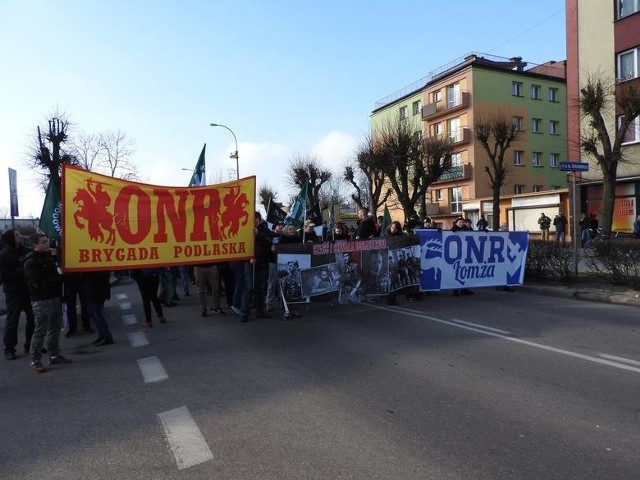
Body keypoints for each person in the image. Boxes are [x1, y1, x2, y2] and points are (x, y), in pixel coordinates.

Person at [23, 233, 70, 373]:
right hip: (41, 299)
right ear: (35, 244)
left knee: (55, 328)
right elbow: (38, 282)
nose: (46, 244)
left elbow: (54, 275)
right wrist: (58, 278)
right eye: (43, 242)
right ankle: (35, 360)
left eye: (46, 241)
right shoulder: (30, 262)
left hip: (54, 297)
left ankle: (54, 355)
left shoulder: (48, 258)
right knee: (40, 330)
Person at [0, 229, 35, 360]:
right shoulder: (4, 255)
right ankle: (9, 348)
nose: (20, 236)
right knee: (12, 320)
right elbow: (4, 276)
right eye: (16, 235)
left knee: (33, 317)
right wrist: (22, 269)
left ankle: (31, 345)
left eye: (19, 234)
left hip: (28, 290)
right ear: (10, 238)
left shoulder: (26, 251)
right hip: (13, 291)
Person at [86, 270, 113, 345]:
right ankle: (102, 334)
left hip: (96, 290)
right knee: (93, 312)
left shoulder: (95, 268)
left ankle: (107, 335)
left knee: (97, 313)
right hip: (95, 289)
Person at [63, 272, 93, 337]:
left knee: (84, 306)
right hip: (71, 281)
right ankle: (74, 328)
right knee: (71, 307)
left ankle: (85, 326)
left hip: (80, 279)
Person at [451, 217, 474, 296]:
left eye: (462, 222)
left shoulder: (466, 229)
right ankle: (455, 289)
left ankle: (464, 289)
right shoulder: (454, 229)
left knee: (465, 271)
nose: (461, 223)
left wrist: (484, 231)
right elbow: (452, 231)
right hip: (456, 253)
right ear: (456, 223)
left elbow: (474, 234)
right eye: (459, 222)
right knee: (456, 271)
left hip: (465, 253)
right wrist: (455, 227)